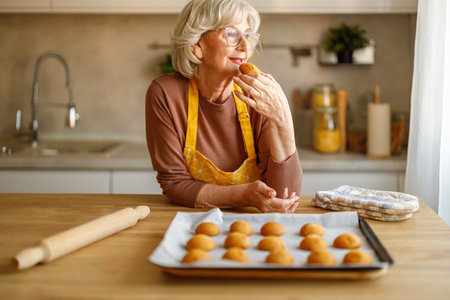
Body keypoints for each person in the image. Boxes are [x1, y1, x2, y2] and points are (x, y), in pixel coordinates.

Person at [145, 0, 302, 213]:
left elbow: (284, 197)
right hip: (193, 223)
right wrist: (244, 195)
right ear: (197, 45)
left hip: (254, 225)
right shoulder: (165, 94)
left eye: (248, 36)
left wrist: (282, 118)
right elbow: (174, 184)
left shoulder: (259, 96)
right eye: (231, 34)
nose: (245, 47)